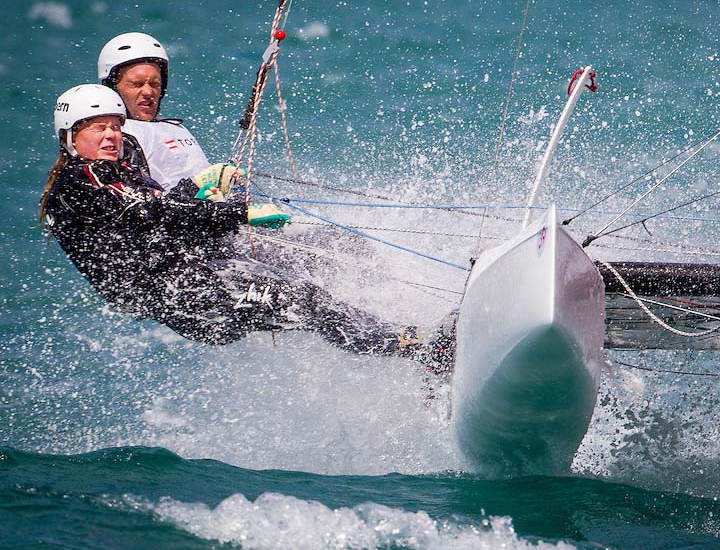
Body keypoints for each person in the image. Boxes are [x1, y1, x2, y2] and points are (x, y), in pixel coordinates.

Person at [40, 84, 454, 373]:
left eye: (115, 124)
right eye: (98, 127)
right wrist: (239, 213)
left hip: (197, 275)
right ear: (71, 138)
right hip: (186, 299)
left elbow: (163, 209)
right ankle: (415, 349)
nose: (112, 134)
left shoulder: (118, 167)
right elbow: (157, 216)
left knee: (307, 280)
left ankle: (409, 338)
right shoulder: (83, 180)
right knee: (301, 297)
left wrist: (198, 185)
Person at [98, 32, 212, 193]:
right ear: (112, 87)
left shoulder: (175, 127)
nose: (148, 92)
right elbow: (144, 206)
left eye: (155, 84)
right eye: (137, 84)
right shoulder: (116, 137)